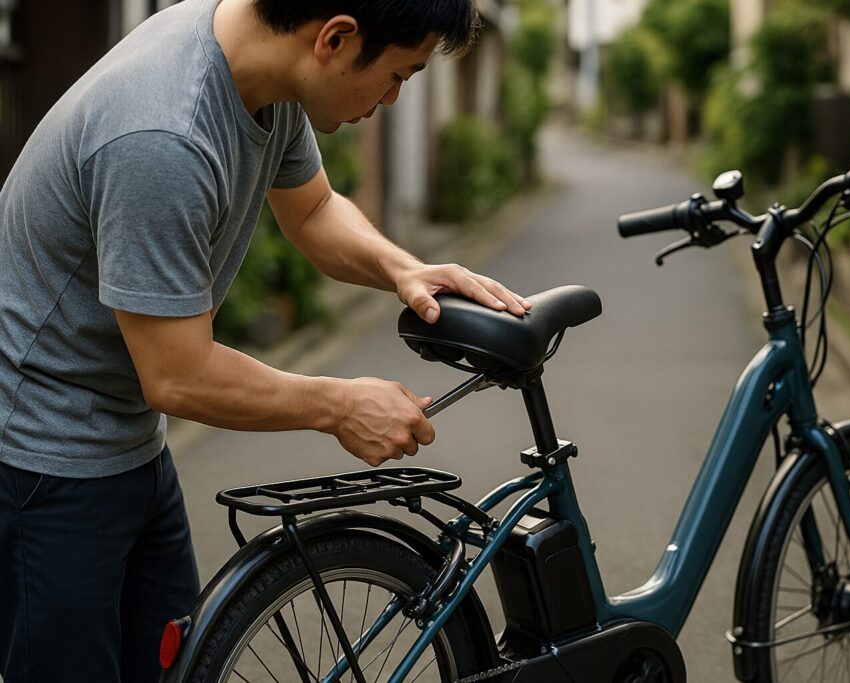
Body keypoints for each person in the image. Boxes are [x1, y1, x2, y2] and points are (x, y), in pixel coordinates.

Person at [0, 0, 530, 680]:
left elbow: (310, 208)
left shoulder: (260, 69)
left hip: (127, 438)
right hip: (43, 462)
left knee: (174, 669)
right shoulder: (163, 133)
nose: (396, 97)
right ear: (336, 38)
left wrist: (404, 267)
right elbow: (179, 375)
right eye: (400, 74)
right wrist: (339, 405)